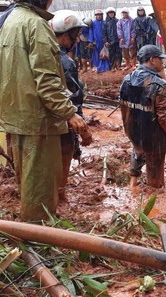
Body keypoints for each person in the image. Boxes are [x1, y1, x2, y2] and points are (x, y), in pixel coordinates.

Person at [0, 0, 89, 221]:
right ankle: (39, 233)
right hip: (37, 117)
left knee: (26, 176)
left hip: (15, 113)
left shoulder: (8, 21)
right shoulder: (36, 25)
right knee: (41, 181)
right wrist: (69, 113)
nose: (51, 2)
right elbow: (47, 80)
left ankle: (31, 225)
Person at [120, 45, 166, 188]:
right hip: (154, 137)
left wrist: (130, 131)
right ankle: (153, 198)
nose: (163, 63)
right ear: (152, 60)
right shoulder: (160, 85)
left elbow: (124, 110)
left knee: (137, 152)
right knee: (155, 183)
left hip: (134, 132)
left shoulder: (126, 80)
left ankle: (133, 188)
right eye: (161, 59)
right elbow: (164, 117)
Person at [49, 10, 94, 202]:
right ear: (66, 35)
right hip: (63, 121)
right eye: (75, 35)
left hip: (45, 121)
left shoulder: (45, 55)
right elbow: (73, 98)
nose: (77, 40)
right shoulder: (65, 62)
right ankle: (59, 199)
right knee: (63, 158)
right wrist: (83, 129)